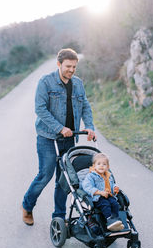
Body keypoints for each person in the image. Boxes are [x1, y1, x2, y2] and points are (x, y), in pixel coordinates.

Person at [22, 48, 96, 226]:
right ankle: (27, 206)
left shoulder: (77, 83)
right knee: (45, 175)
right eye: (68, 66)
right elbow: (40, 109)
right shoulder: (46, 82)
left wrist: (90, 127)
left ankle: (59, 216)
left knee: (64, 180)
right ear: (59, 64)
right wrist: (60, 127)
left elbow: (85, 105)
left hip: (70, 138)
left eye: (74, 67)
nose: (71, 70)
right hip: (48, 137)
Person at [82, 153, 124, 231]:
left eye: (104, 164)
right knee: (105, 204)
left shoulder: (108, 175)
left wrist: (115, 188)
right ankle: (109, 220)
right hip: (97, 198)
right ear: (94, 166)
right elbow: (87, 186)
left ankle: (116, 219)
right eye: (99, 164)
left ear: (108, 167)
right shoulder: (91, 176)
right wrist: (99, 192)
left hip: (109, 195)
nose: (101, 166)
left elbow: (112, 184)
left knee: (115, 204)